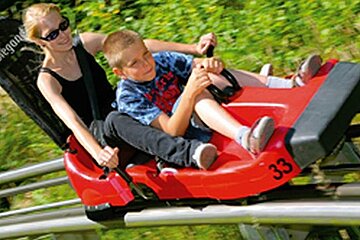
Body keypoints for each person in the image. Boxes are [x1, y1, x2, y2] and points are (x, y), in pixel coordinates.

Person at [22, 3, 219, 170]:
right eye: (52, 34)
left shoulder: (84, 44)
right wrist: (99, 153)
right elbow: (73, 122)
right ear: (40, 41)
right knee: (116, 119)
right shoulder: (47, 80)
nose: (63, 35)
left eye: (63, 25)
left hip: (121, 107)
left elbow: (131, 47)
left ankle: (207, 118)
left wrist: (193, 48)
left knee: (146, 70)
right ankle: (189, 152)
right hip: (103, 132)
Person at [103, 30, 322, 169]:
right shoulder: (128, 97)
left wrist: (211, 65)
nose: (147, 64)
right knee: (197, 92)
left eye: (146, 55)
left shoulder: (160, 60)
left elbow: (198, 66)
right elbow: (171, 130)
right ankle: (245, 137)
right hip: (181, 134)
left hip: (199, 112)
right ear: (120, 72)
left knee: (210, 75)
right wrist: (189, 92)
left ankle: (288, 85)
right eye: (135, 64)